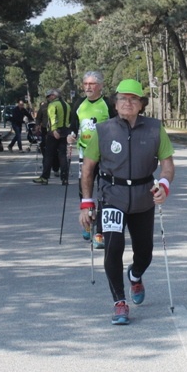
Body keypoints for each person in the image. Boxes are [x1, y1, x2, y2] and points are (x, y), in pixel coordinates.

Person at [79, 80, 175, 326]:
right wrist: (87, 203)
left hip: (143, 198)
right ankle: (119, 301)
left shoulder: (155, 129)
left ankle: (135, 274)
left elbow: (167, 165)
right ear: (115, 103)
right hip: (112, 197)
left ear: (142, 104)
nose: (127, 103)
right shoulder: (103, 130)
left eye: (133, 99)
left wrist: (164, 185)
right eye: (123, 98)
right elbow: (88, 169)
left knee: (145, 253)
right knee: (113, 248)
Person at [67, 71, 117, 248]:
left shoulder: (108, 104)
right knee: (85, 192)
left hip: (105, 156)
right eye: (85, 84)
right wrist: (70, 137)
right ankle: (87, 224)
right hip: (85, 155)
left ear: (100, 86)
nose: (88, 87)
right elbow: (73, 127)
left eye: (92, 84)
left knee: (104, 192)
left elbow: (117, 126)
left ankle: (100, 232)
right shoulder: (78, 104)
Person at [33, 88, 71, 185]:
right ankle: (64, 178)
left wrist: (54, 130)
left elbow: (53, 118)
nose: (48, 98)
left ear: (54, 96)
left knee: (48, 155)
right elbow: (69, 119)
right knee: (62, 155)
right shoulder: (67, 105)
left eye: (49, 96)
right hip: (64, 131)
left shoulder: (52, 105)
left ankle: (45, 177)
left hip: (54, 132)